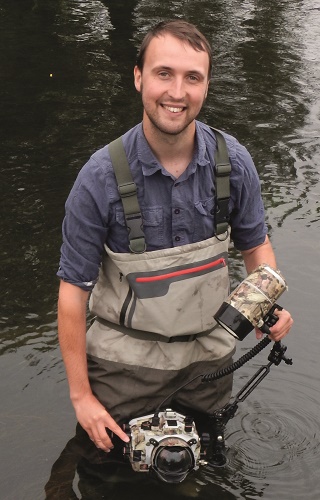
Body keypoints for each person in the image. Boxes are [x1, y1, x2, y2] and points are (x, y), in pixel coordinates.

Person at [57, 19, 293, 458]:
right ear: (138, 77)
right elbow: (72, 294)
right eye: (164, 73)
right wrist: (81, 397)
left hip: (210, 364)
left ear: (206, 86)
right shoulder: (98, 178)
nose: (177, 92)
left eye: (193, 78)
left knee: (206, 467)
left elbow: (256, 246)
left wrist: (268, 306)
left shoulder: (234, 162)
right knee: (109, 475)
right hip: (122, 371)